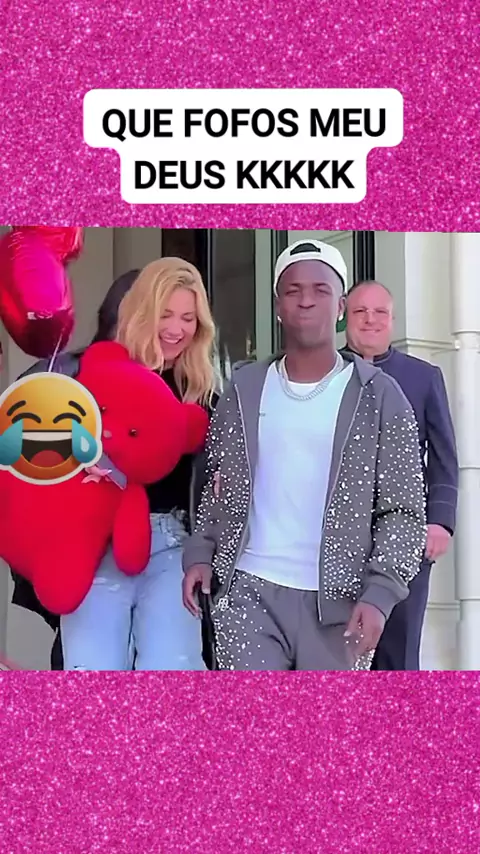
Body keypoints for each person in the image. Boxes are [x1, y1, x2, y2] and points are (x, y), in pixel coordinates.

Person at [182, 239, 427, 671]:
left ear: (340, 306)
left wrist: (381, 593)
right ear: (277, 305)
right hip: (248, 594)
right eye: (293, 291)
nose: (306, 301)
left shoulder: (379, 396)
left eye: (320, 290)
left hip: (340, 606)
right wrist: (201, 552)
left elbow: (403, 509)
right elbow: (217, 482)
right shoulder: (244, 388)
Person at [60, 257, 218, 671]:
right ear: (141, 313)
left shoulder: (202, 392)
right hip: (97, 541)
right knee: (91, 674)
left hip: (172, 545)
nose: (176, 329)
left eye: (188, 318)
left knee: (173, 671)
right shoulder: (95, 375)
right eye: (165, 314)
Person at [10, 269, 141, 670]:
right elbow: (16, 472)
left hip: (162, 563)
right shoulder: (61, 378)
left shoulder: (188, 382)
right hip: (81, 563)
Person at [344, 280, 458, 670]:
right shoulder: (325, 372)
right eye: (360, 312)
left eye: (380, 312)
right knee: (338, 655)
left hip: (405, 540)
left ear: (393, 320)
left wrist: (440, 521)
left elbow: (444, 458)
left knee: (399, 657)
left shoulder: (423, 377)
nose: (370, 320)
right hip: (337, 542)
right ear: (344, 316)